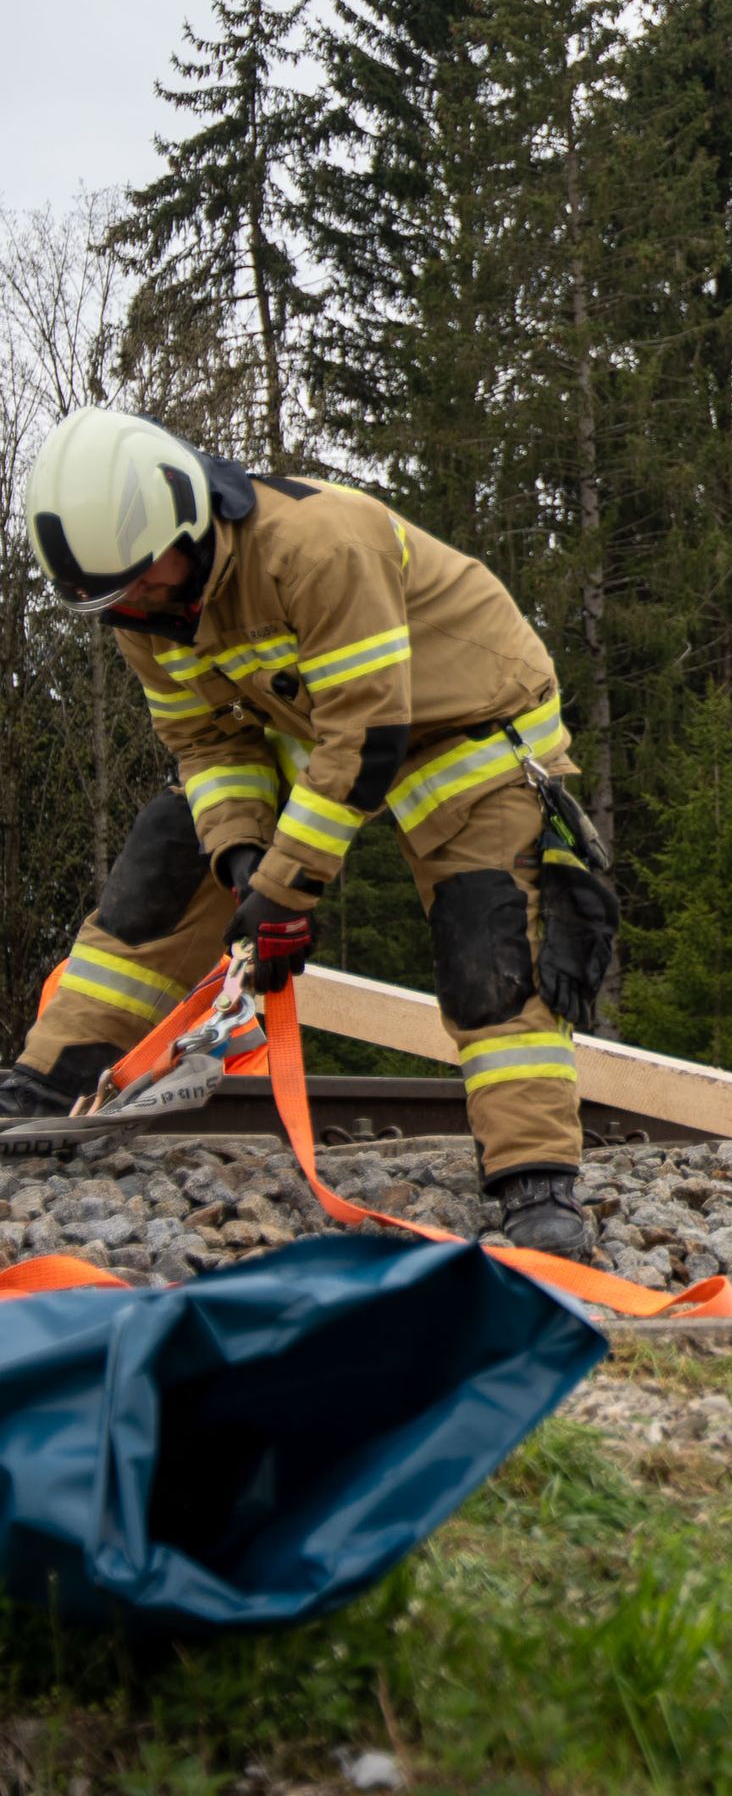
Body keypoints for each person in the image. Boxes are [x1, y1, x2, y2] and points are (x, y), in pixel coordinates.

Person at [9, 408, 603, 1254]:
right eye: (112, 597)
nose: (135, 604)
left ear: (192, 521)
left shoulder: (320, 544)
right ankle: (46, 1086)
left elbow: (368, 735)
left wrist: (285, 889)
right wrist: (242, 853)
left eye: (142, 579)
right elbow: (208, 744)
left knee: (490, 947)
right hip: (324, 730)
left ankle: (538, 1181)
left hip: (465, 730)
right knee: (167, 862)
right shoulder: (144, 611)